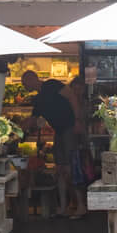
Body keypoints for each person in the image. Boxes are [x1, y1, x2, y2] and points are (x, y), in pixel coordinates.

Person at [28, 78, 83, 218]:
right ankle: (63, 207)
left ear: (31, 79)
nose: (24, 86)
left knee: (71, 167)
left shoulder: (52, 84)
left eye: (24, 83)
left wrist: (77, 120)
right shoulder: (38, 99)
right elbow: (33, 119)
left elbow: (72, 97)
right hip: (58, 132)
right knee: (59, 169)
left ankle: (81, 205)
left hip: (69, 128)